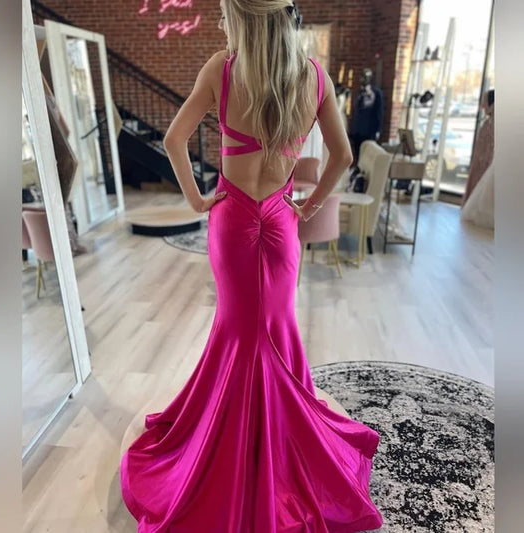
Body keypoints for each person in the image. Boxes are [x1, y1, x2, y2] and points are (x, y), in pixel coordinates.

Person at [120, 2, 383, 531]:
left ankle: (234, 443)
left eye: (225, 13)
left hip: (231, 217)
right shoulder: (312, 76)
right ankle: (280, 439)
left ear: (243, 18)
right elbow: (342, 157)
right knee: (275, 325)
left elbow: (173, 140)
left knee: (239, 329)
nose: (221, 23)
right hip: (282, 221)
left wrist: (196, 200)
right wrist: (307, 207)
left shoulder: (221, 69)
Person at [462, 89, 494, 206]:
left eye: (485, 103)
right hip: (482, 163)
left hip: (485, 165)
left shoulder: (491, 124)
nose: (483, 106)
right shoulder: (489, 122)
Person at [349, 68, 383, 164]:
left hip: (369, 129)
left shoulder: (376, 93)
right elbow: (354, 111)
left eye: (366, 77)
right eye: (363, 77)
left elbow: (379, 112)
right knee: (356, 152)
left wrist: (378, 129)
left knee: (366, 153)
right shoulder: (357, 92)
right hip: (357, 129)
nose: (364, 79)